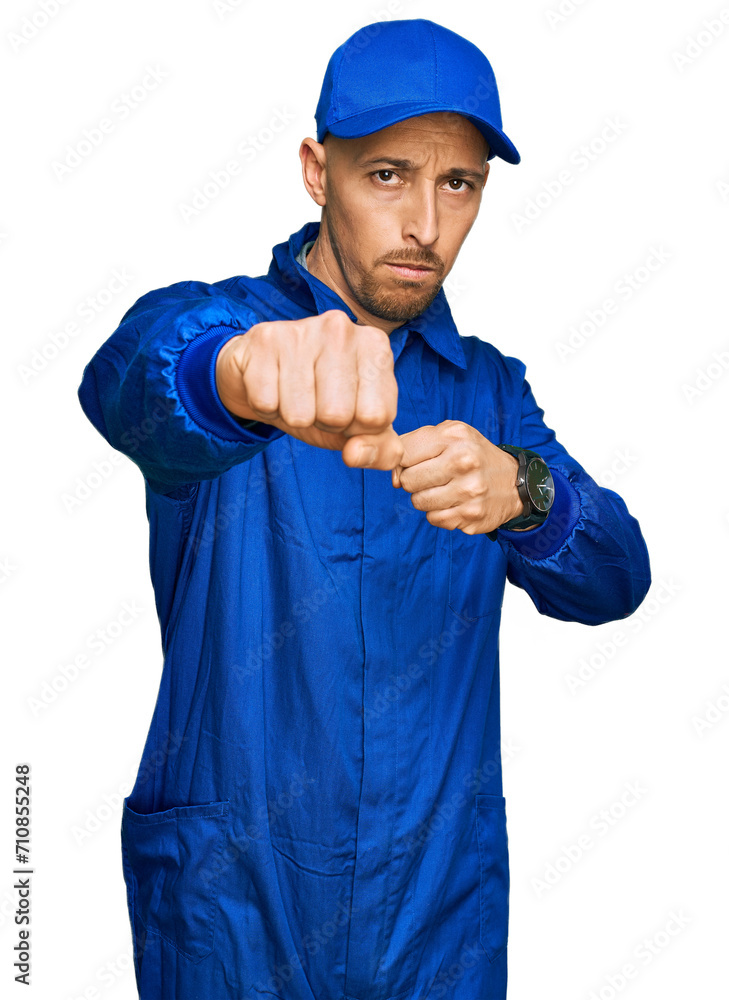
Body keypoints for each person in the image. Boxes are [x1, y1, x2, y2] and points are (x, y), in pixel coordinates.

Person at [77, 17, 651, 1000]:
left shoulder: (491, 394)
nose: (426, 223)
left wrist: (530, 493)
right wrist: (237, 374)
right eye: (387, 174)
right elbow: (126, 380)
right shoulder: (225, 330)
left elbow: (618, 577)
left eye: (458, 183)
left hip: (436, 919)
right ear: (316, 169)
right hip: (234, 911)